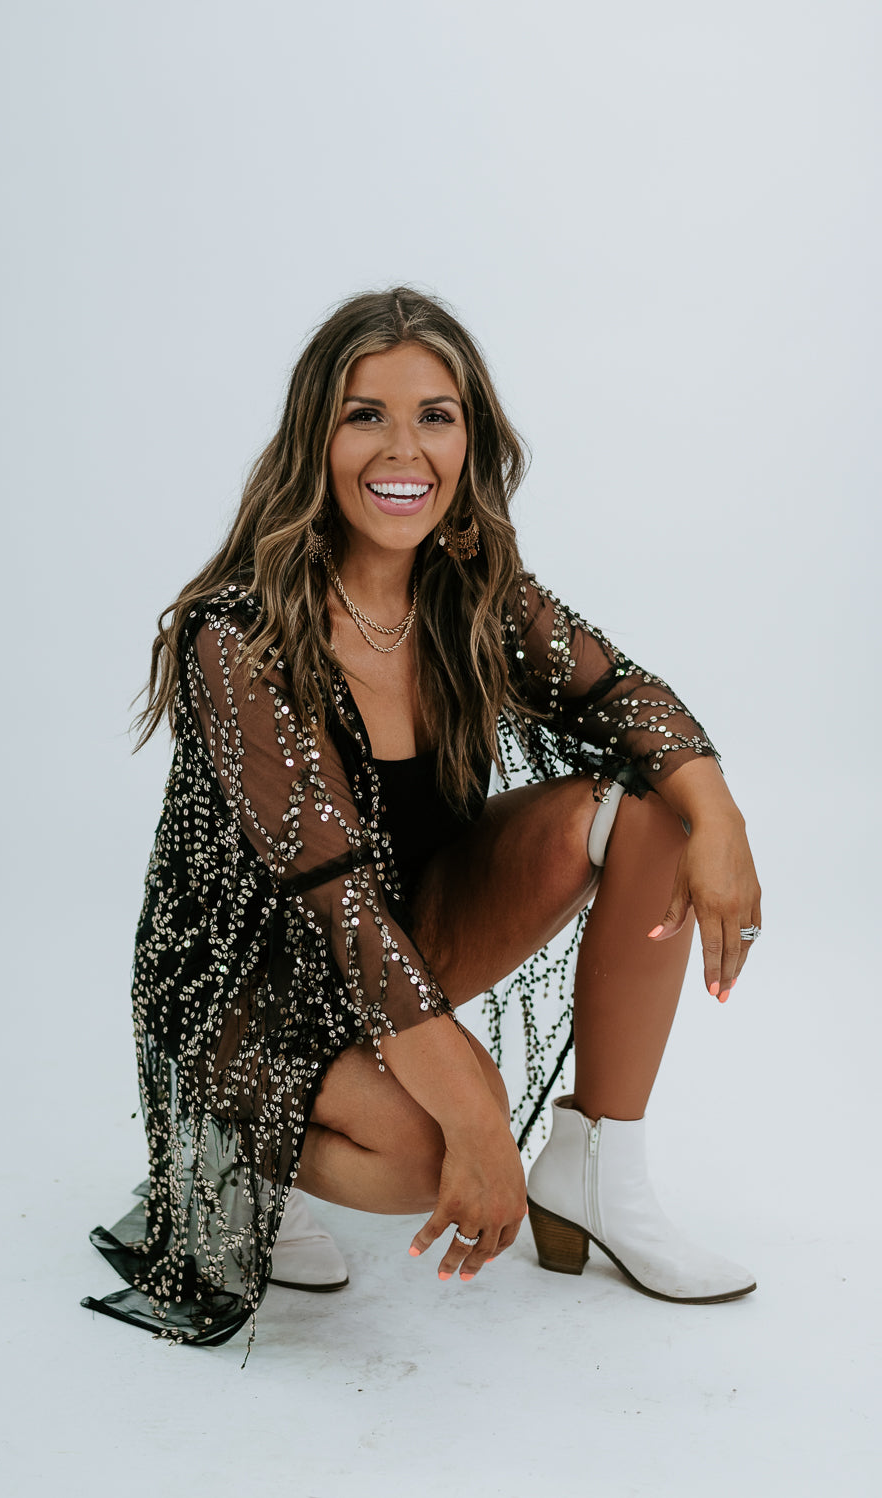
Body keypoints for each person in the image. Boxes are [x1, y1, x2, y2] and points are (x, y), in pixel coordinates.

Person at [82, 287, 762, 1348]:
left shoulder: (471, 591)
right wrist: (477, 1115)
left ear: (469, 439)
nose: (404, 449)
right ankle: (227, 1147)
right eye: (366, 415)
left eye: (434, 416)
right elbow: (339, 905)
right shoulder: (239, 634)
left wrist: (719, 816)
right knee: (429, 1153)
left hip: (397, 937)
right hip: (247, 992)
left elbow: (628, 698)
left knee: (656, 809)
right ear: (315, 438)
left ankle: (598, 1170)